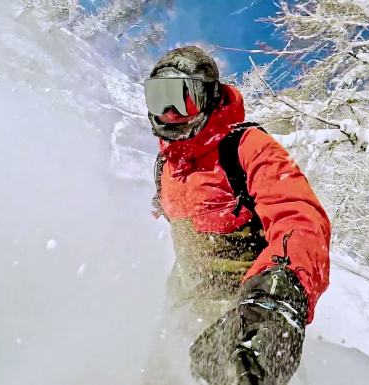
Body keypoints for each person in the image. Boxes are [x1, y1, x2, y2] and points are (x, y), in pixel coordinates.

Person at [145, 46, 331, 385]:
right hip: (184, 304)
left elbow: (299, 217)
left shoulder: (247, 147)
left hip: (243, 311)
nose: (171, 113)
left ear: (211, 98)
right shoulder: (166, 165)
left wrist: (278, 295)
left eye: (184, 99)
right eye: (160, 99)